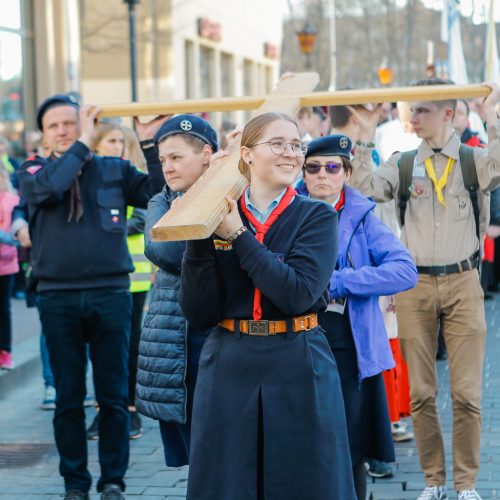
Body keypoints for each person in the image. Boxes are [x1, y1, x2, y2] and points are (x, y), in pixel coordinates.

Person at [179, 112, 356, 500]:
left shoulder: (317, 215)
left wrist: (239, 236)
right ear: (247, 154)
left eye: (296, 145)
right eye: (277, 144)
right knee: (228, 485)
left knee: (307, 483)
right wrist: (197, 229)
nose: (290, 153)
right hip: (229, 361)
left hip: (298, 359)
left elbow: (298, 296)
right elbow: (200, 312)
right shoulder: (217, 215)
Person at [349, 78, 500, 500]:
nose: (411, 117)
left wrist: (492, 120)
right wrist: (362, 139)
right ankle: (434, 481)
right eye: (410, 110)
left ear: (447, 115)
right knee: (420, 393)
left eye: (421, 111)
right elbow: (362, 189)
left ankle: (466, 484)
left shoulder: (474, 160)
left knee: (467, 394)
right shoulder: (401, 164)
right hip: (414, 283)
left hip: (463, 282)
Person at [17, 94, 166, 500]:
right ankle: (75, 484)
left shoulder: (114, 169)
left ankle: (113, 481)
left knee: (113, 397)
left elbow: (158, 193)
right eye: (56, 126)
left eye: (72, 122)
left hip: (110, 295)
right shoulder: (33, 171)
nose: (65, 131)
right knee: (67, 399)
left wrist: (150, 144)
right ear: (44, 135)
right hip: (58, 299)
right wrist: (84, 141)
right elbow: (51, 187)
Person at [300, 134, 418, 500]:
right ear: (303, 173)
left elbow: (404, 270)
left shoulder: (363, 217)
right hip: (298, 339)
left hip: (351, 342)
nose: (323, 174)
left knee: (351, 442)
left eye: (332, 167)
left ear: (346, 173)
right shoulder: (288, 212)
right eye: (313, 167)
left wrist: (341, 281)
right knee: (306, 439)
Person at [135, 114, 218, 467]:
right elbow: (164, 251)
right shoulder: (161, 201)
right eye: (163, 159)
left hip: (219, 334)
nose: (167, 167)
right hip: (175, 339)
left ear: (206, 154)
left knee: (224, 443)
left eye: (176, 157)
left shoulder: (235, 194)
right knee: (196, 453)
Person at [85, 122, 151, 440]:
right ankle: (103, 410)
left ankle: (131, 410)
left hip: (134, 277)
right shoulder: (90, 179)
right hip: (100, 276)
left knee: (131, 345)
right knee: (101, 348)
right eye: (110, 141)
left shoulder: (131, 175)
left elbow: (143, 216)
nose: (117, 146)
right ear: (95, 145)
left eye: (121, 141)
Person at [0, 169, 20, 370]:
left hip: (5, 265)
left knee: (3, 310)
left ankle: (5, 351)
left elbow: (14, 235)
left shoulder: (11, 201)